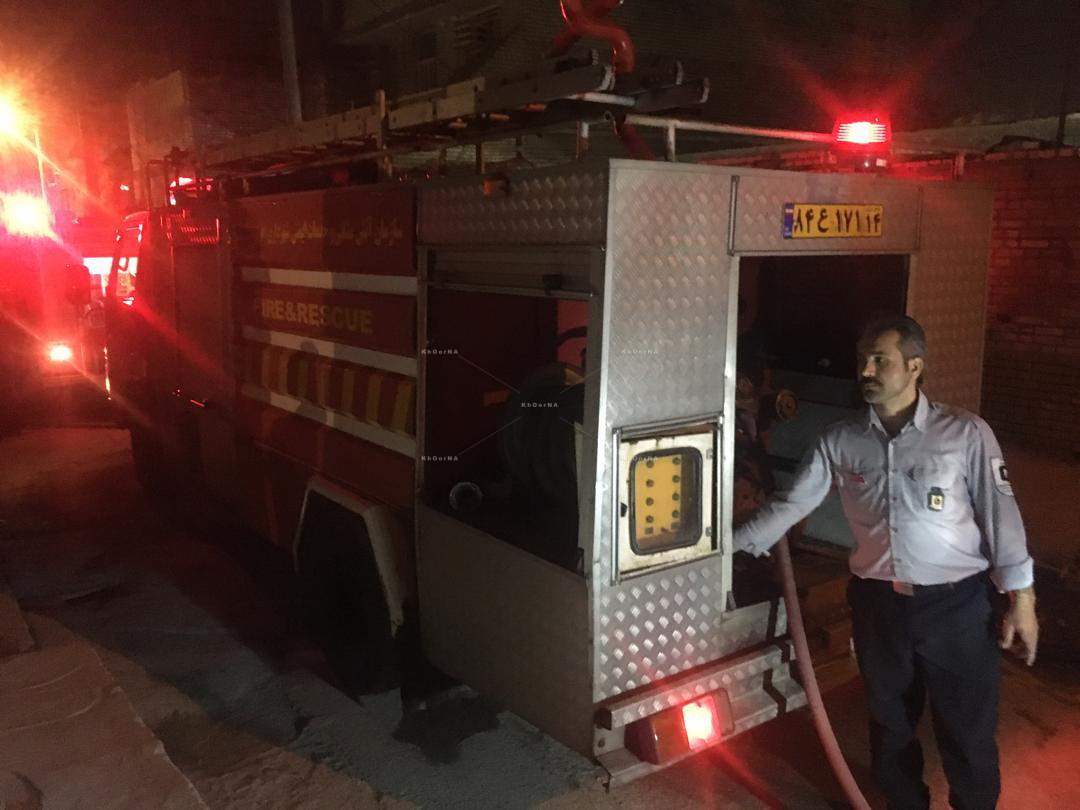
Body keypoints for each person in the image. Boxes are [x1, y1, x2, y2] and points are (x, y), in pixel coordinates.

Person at [734, 315, 1038, 810]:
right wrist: (731, 546)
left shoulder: (964, 433)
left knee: (967, 732)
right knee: (890, 727)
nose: (866, 370)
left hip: (957, 609)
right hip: (880, 608)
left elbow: (1000, 515)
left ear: (915, 366)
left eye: (880, 360)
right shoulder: (840, 439)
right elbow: (793, 504)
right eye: (862, 359)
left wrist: (1021, 599)